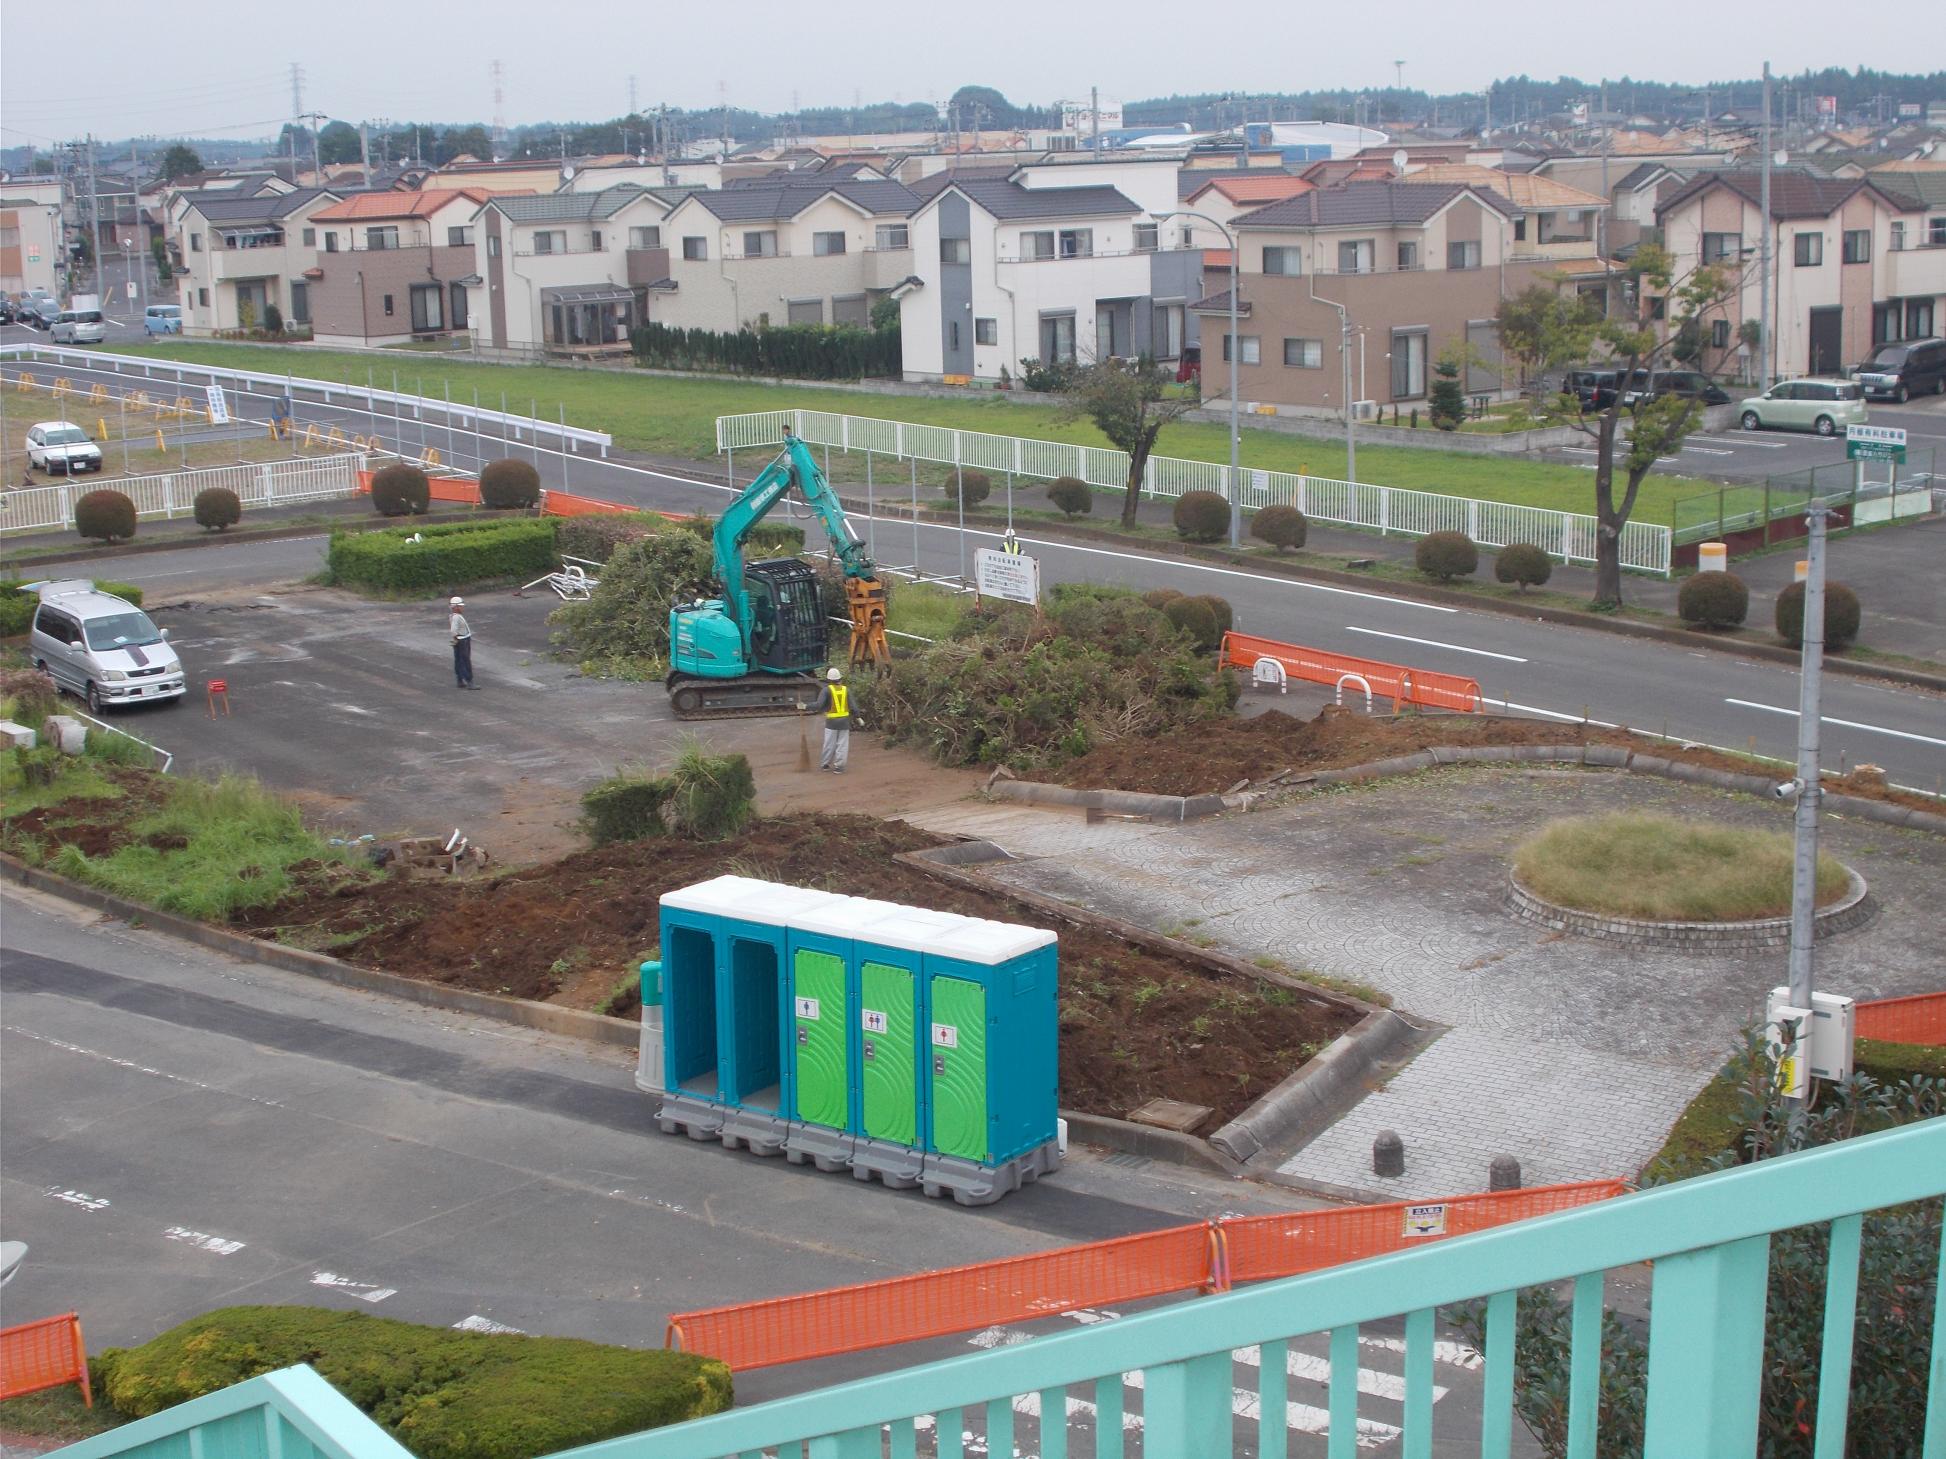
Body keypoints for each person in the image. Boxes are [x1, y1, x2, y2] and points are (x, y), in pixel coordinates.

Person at [812, 666, 850, 772]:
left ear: (828, 680)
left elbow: (819, 705)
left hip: (831, 723)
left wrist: (805, 706)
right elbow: (853, 706)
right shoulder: (846, 690)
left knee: (829, 744)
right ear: (839, 679)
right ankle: (839, 767)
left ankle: (825, 764)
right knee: (842, 745)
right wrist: (858, 715)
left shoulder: (826, 690)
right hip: (844, 722)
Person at [449, 596, 476, 690]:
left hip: (459, 640)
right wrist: (456, 638)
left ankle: (460, 680)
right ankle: (469, 681)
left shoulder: (453, 616)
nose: (462, 608)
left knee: (459, 660)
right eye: (460, 606)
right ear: (455, 607)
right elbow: (453, 631)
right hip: (462, 640)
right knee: (465, 660)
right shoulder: (456, 617)